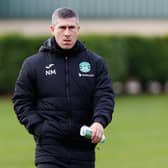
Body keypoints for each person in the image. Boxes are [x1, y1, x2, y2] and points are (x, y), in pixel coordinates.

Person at [12, 7, 115, 168]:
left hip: (84, 151)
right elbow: (21, 101)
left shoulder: (95, 63)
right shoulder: (33, 64)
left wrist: (99, 122)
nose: (67, 33)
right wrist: (40, 128)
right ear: (52, 29)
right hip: (49, 151)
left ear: (78, 29)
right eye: (62, 27)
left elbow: (105, 96)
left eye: (71, 28)